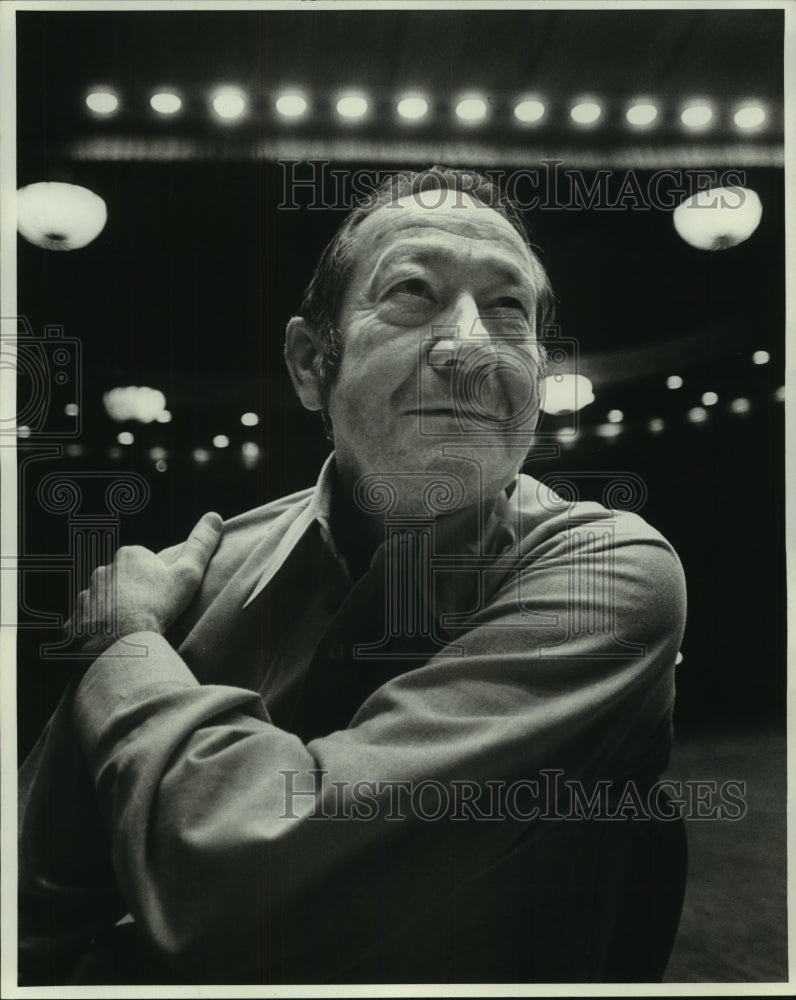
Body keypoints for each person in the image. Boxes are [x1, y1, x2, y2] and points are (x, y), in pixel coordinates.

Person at [18, 167, 688, 986]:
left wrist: (122, 647)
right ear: (310, 363)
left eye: (508, 308)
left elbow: (242, 890)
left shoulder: (612, 571)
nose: (473, 343)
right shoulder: (199, 570)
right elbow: (29, 901)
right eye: (412, 290)